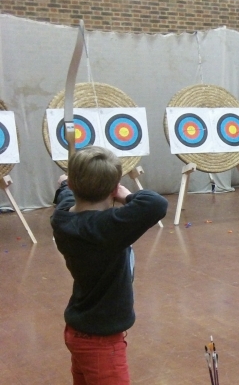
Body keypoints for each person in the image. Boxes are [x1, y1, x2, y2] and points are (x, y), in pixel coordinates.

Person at [50, 146, 168, 384]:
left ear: (73, 185)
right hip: (101, 342)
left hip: (78, 330)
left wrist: (64, 184)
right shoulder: (108, 228)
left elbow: (66, 197)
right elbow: (155, 204)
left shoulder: (62, 217)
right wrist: (125, 195)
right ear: (114, 188)